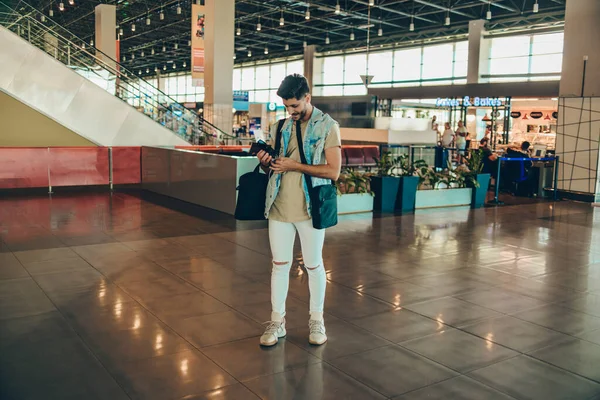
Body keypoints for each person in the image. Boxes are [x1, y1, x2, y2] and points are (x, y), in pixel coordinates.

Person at [255, 74, 342, 347]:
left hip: (310, 207)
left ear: (308, 97)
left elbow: (334, 172)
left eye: (294, 106)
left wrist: (295, 166)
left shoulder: (328, 126)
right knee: (279, 265)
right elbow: (275, 166)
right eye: (286, 106)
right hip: (279, 205)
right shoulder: (281, 126)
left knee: (314, 265)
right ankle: (277, 321)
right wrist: (267, 161)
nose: (290, 112)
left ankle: (317, 320)